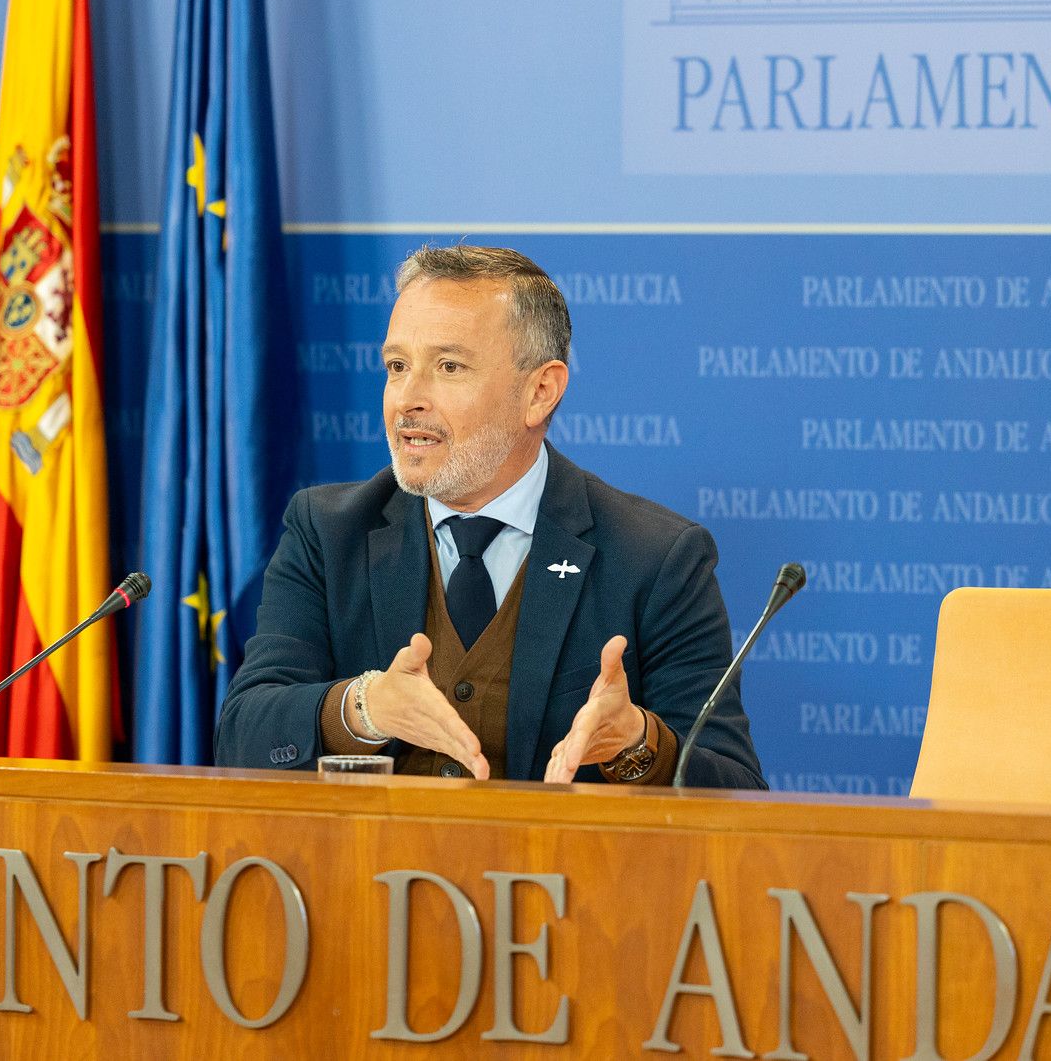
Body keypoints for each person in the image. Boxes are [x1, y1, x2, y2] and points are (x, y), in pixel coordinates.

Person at [214, 245, 763, 788]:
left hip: (554, 873)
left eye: (449, 367)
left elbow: (735, 789)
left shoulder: (656, 558)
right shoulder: (328, 533)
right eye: (398, 366)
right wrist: (364, 708)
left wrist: (637, 744)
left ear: (540, 392)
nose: (408, 399)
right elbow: (242, 736)